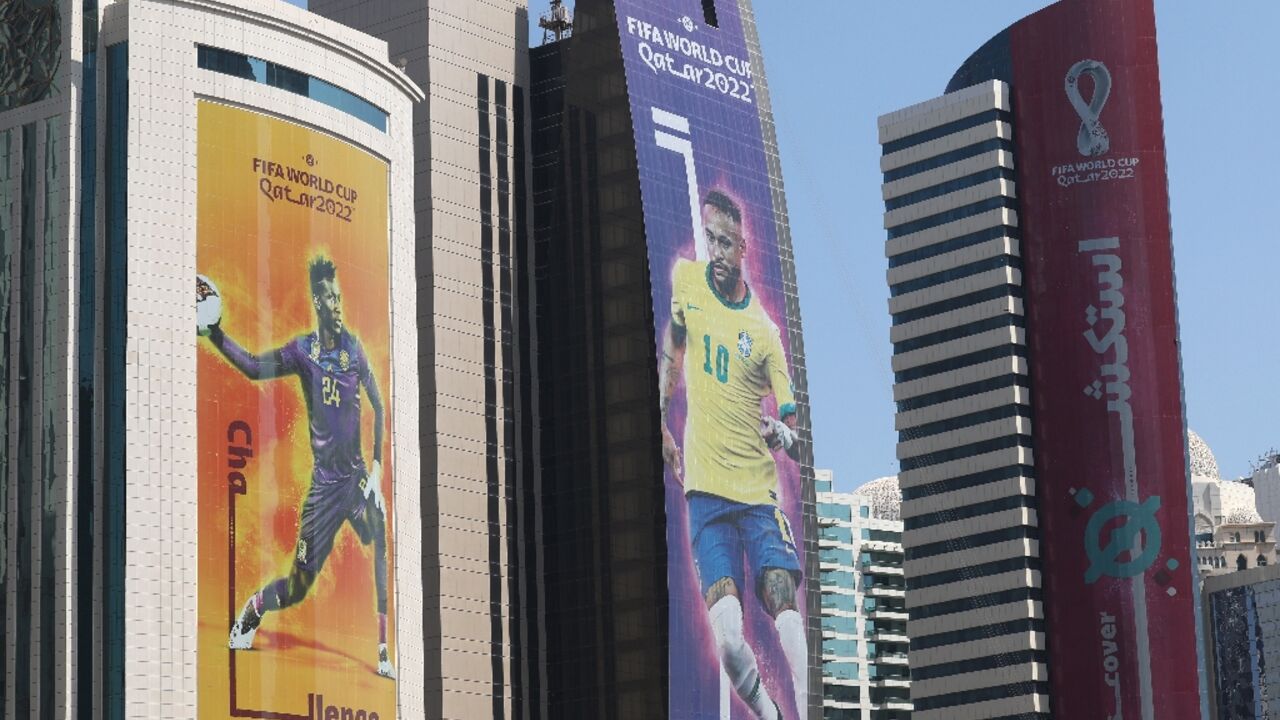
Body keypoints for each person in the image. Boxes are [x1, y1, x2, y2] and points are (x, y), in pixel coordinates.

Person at [201, 257, 395, 679]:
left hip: (356, 480)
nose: (338, 305)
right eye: (330, 299)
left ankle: (383, 650)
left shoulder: (353, 350)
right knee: (297, 589)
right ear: (318, 304)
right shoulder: (302, 352)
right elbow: (255, 368)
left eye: (340, 297)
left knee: (379, 528)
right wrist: (214, 333)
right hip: (325, 492)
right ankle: (254, 609)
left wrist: (377, 470)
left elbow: (379, 406)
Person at [658, 190, 806, 719]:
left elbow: (795, 429)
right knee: (727, 639)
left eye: (727, 242)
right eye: (711, 239)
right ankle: (770, 713)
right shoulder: (687, 281)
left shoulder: (765, 333)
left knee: (782, 603)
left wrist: (783, 434)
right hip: (706, 494)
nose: (717, 251)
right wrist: (660, 421)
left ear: (744, 247)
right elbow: (674, 347)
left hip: (758, 496)